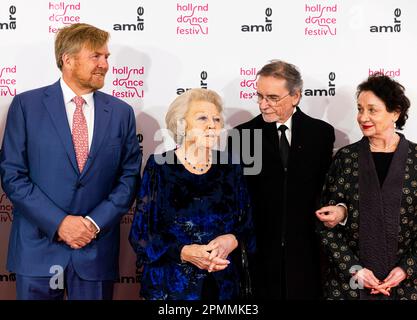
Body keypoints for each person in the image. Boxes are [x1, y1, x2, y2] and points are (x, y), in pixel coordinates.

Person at [0, 23, 142, 300]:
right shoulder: (26, 106)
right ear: (68, 59)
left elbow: (128, 178)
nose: (104, 64)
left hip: (94, 250)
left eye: (106, 57)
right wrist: (60, 223)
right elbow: (12, 174)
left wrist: (92, 223)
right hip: (38, 249)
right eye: (96, 56)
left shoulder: (121, 113)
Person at [129, 88, 254, 300]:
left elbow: (247, 227)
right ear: (181, 124)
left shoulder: (231, 167)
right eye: (202, 118)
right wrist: (183, 251)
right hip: (170, 287)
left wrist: (232, 240)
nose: (212, 125)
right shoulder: (159, 167)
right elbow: (142, 234)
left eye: (216, 119)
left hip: (223, 287)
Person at [231, 60, 335, 299]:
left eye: (272, 98)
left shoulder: (321, 133)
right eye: (259, 96)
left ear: (295, 96)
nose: (263, 105)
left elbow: (325, 190)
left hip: (307, 252)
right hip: (260, 253)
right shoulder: (242, 135)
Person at [315, 74, 417, 300]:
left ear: (395, 113)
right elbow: (325, 224)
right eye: (360, 109)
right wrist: (355, 269)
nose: (363, 117)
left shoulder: (416, 159)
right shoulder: (346, 158)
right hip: (348, 284)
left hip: (407, 286)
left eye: (372, 110)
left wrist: (406, 269)